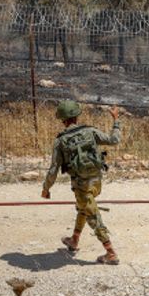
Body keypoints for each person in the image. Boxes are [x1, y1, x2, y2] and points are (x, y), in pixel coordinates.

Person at [42, 100, 122, 265]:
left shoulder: (61, 141)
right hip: (97, 181)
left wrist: (46, 188)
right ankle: (74, 240)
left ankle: (111, 253)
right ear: (77, 116)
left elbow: (53, 169)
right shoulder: (90, 131)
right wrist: (116, 120)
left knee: (92, 216)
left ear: (62, 120)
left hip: (81, 185)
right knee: (83, 208)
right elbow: (114, 140)